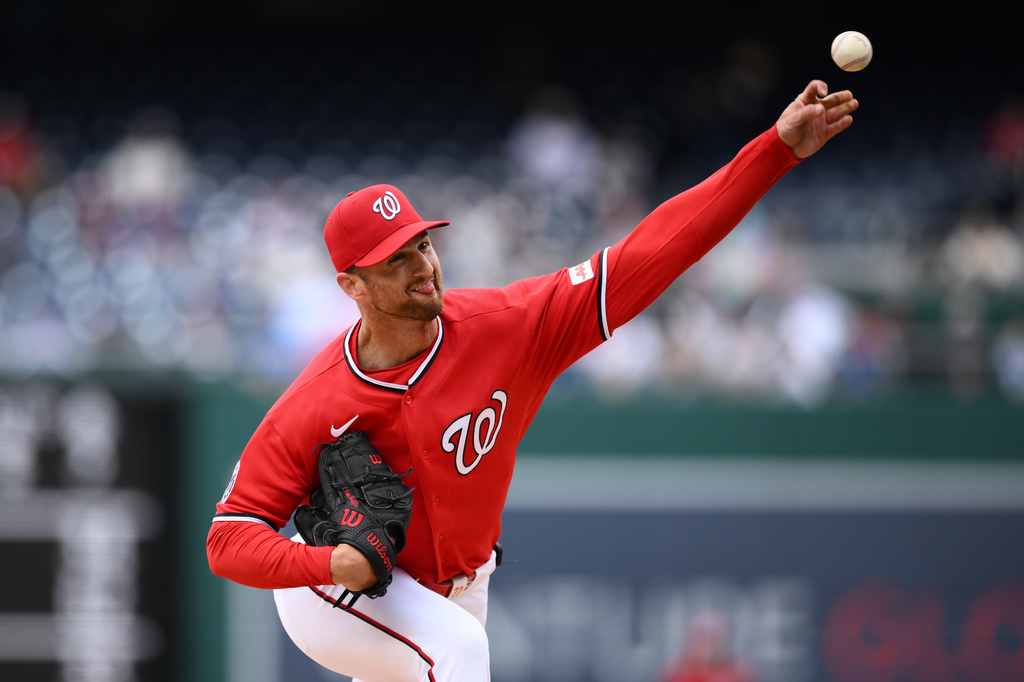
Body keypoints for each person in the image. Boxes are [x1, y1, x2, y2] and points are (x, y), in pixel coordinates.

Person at [207, 79, 857, 681]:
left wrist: (771, 153)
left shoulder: (508, 327)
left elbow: (654, 251)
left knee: (450, 645)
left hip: (461, 583)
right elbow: (229, 537)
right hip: (335, 588)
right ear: (351, 284)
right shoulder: (318, 398)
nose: (421, 267)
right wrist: (325, 564)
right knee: (457, 654)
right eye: (393, 261)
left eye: (421, 246)